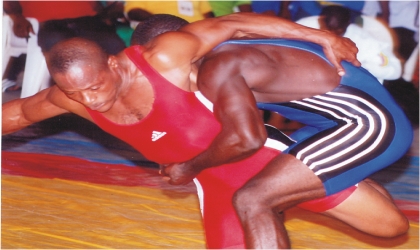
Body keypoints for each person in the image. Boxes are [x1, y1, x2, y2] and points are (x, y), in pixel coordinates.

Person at [2, 13, 361, 248]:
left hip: (273, 163)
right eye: (73, 92)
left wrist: (321, 36)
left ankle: (301, 181)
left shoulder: (167, 60)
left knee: (388, 229)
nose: (88, 100)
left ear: (113, 64)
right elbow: (16, 114)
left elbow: (233, 23)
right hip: (217, 186)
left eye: (94, 87)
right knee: (252, 213)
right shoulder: (74, 99)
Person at [160, 39, 412, 248]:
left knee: (253, 198)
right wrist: (324, 36)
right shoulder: (226, 42)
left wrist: (188, 167)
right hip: (332, 124)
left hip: (366, 123)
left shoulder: (216, 69)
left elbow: (246, 138)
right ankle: (348, 178)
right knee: (271, 189)